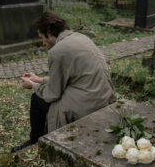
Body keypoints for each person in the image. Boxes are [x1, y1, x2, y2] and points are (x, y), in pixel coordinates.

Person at [11, 11, 116, 153]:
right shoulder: (79, 37)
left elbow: (52, 94)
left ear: (49, 32)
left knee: (37, 98)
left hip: (87, 105)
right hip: (102, 98)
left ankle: (35, 142)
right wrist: (40, 79)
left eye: (42, 37)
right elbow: (72, 77)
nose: (43, 43)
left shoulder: (57, 51)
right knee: (41, 94)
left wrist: (33, 86)